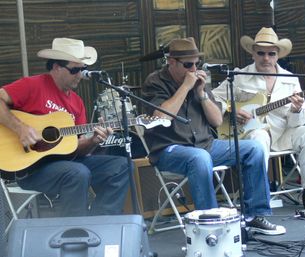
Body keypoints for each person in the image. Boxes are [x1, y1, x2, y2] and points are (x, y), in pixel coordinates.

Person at [142, 37, 286, 235]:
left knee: (254, 148)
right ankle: (211, 226)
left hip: (205, 145)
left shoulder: (198, 81)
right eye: (188, 65)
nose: (193, 69)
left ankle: (255, 215)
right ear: (171, 62)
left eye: (196, 64)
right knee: (199, 158)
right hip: (170, 149)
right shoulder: (155, 81)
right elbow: (161, 117)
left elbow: (217, 120)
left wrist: (201, 93)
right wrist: (185, 87)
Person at [0, 38, 130, 217]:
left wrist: (93, 141)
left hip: (67, 164)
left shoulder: (77, 103)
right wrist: (20, 128)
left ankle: (100, 224)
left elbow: (76, 148)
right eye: (75, 69)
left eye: (83, 69)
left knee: (122, 166)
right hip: (31, 168)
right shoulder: (32, 85)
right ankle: (75, 232)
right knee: (78, 173)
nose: (80, 75)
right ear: (56, 67)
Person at [212, 27, 305, 211]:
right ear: (253, 53)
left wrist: (296, 109)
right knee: (259, 136)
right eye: (261, 53)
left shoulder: (290, 79)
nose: (266, 58)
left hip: (282, 133)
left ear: (278, 55)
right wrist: (231, 109)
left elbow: (296, 123)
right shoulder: (239, 76)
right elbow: (213, 98)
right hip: (252, 133)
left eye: (271, 54)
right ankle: (258, 197)